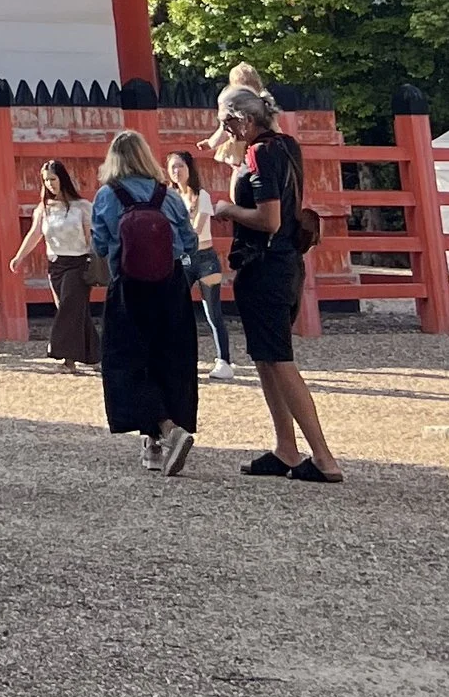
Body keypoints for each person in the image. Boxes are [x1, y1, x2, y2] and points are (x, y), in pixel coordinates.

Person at [224, 92, 345, 482]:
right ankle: (286, 447)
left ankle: (323, 457)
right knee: (265, 357)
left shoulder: (259, 155)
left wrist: (226, 210)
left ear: (245, 122)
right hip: (285, 264)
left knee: (279, 358)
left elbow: (268, 218)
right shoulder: (288, 146)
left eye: (228, 123)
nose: (224, 130)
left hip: (265, 265)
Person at [91, 129, 201, 474]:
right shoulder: (167, 196)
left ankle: (165, 431)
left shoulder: (108, 195)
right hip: (170, 285)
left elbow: (100, 242)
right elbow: (189, 241)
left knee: (128, 360)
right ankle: (156, 439)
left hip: (129, 287)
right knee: (170, 357)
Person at [8, 156, 96, 371]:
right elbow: (35, 234)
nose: (50, 184)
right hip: (56, 263)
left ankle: (63, 354)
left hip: (78, 262)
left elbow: (90, 237)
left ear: (63, 179)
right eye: (46, 180)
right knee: (75, 310)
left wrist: (94, 260)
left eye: (53, 179)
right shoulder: (43, 209)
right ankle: (94, 355)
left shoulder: (82, 206)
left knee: (68, 307)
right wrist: (19, 256)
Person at [167, 146, 235, 380]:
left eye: (180, 166)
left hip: (203, 256)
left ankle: (224, 360)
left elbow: (196, 227)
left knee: (213, 311)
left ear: (189, 169)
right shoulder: (169, 197)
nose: (176, 171)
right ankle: (180, 358)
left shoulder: (201, 196)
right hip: (181, 258)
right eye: (172, 167)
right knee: (176, 310)